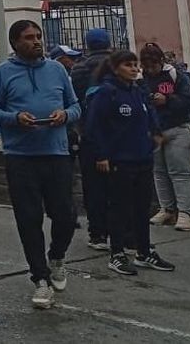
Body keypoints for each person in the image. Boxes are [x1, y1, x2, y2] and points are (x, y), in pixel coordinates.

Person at [0, 20, 80, 309]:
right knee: (29, 219)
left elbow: (76, 106)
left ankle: (57, 257)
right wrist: (15, 118)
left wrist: (65, 115)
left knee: (65, 215)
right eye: (29, 37)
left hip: (57, 154)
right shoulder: (2, 73)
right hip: (20, 157)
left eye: (38, 36)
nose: (36, 41)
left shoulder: (57, 70)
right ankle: (40, 279)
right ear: (15, 43)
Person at [85, 49, 175, 276]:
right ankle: (117, 253)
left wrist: (155, 133)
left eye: (136, 65)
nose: (135, 69)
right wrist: (101, 155)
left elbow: (148, 113)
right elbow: (94, 126)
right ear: (116, 68)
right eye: (128, 65)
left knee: (141, 208)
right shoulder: (107, 93)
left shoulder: (137, 91)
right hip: (119, 160)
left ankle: (144, 251)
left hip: (142, 158)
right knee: (119, 208)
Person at [138, 43, 190, 232]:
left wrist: (168, 99)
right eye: (147, 66)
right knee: (159, 172)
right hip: (154, 131)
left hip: (177, 127)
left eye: (154, 65)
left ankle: (185, 213)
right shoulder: (141, 78)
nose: (151, 70)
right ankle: (167, 208)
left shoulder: (175, 75)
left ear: (161, 61)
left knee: (180, 172)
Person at [70, 28, 113, 251]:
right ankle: (124, 233)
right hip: (118, 136)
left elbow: (74, 101)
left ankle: (97, 234)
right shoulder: (119, 65)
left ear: (87, 44)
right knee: (120, 187)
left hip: (88, 134)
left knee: (94, 186)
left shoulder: (78, 69)